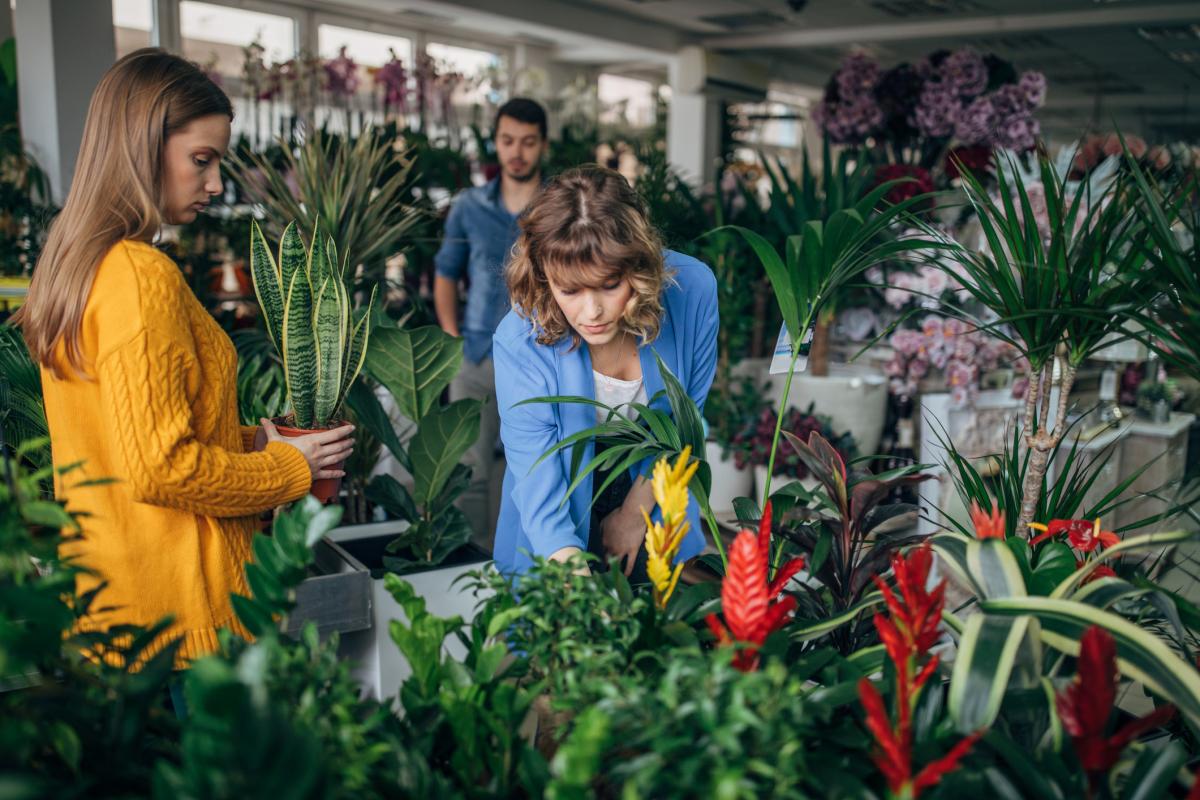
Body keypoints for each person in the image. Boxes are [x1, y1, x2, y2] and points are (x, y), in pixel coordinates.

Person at [14, 48, 353, 665]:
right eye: (202, 160)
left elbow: (130, 443)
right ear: (142, 146)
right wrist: (287, 468)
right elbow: (163, 468)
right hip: (185, 623)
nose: (217, 183)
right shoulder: (142, 276)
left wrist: (248, 440)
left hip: (117, 608)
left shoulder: (78, 266)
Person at [492, 166, 719, 577]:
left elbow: (687, 423)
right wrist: (573, 580)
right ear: (544, 277)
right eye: (570, 290)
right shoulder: (518, 341)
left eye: (610, 285)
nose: (591, 312)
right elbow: (537, 477)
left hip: (654, 492)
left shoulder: (693, 292)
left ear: (640, 266)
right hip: (557, 503)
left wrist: (635, 512)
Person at [434, 97, 549, 551]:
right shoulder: (469, 206)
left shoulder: (557, 206)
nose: (517, 151)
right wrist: (450, 338)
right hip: (477, 354)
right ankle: (472, 562)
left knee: (532, 468)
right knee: (470, 469)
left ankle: (521, 565)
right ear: (495, 143)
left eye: (527, 142)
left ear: (542, 144)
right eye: (507, 141)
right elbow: (446, 271)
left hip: (542, 354)